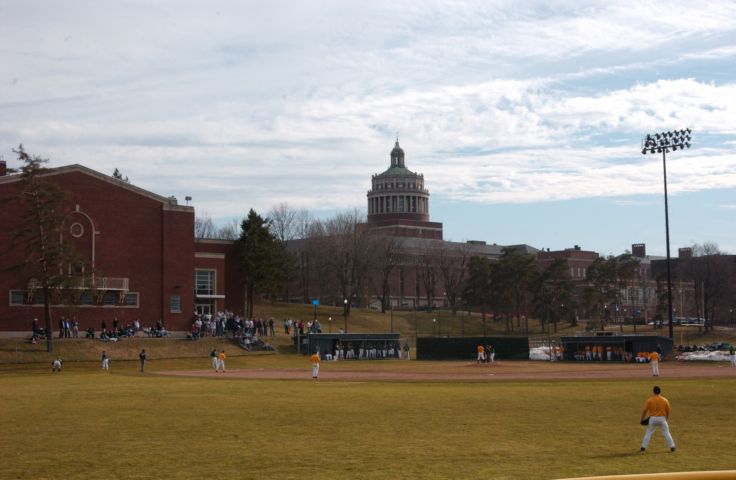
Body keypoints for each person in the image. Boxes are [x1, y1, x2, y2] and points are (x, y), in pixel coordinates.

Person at [640, 386, 676, 453]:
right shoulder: (665, 400)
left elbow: (645, 410)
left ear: (653, 392)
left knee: (648, 433)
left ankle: (643, 448)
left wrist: (642, 418)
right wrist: (666, 419)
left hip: (652, 419)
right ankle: (672, 447)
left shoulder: (649, 400)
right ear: (660, 391)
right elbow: (668, 411)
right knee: (667, 433)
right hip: (662, 418)